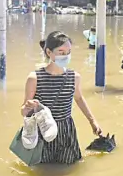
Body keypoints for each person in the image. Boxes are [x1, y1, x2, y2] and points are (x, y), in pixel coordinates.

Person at [21, 30, 102, 165]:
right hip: (43, 131)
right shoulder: (34, 78)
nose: (66, 56)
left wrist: (92, 122)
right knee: (42, 170)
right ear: (49, 52)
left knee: (68, 168)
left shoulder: (74, 77)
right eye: (61, 52)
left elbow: (79, 99)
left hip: (66, 131)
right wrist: (28, 107)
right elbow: (23, 112)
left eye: (68, 52)